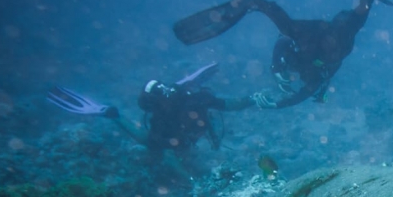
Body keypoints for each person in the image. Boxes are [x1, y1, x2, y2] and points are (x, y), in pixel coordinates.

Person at [172, 0, 393, 109]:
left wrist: (277, 77)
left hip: (323, 38)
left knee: (351, 21)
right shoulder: (314, 70)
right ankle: (256, 2)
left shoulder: (310, 70)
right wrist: (277, 73)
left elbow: (285, 43)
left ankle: (255, 2)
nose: (292, 75)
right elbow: (285, 44)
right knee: (350, 22)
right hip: (326, 40)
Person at [47, 62, 252, 153]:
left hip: (182, 108)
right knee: (147, 142)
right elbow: (227, 105)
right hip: (175, 124)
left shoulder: (195, 102)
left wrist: (252, 99)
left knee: (157, 140)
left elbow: (226, 105)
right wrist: (192, 182)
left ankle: (113, 113)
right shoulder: (166, 122)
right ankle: (112, 114)